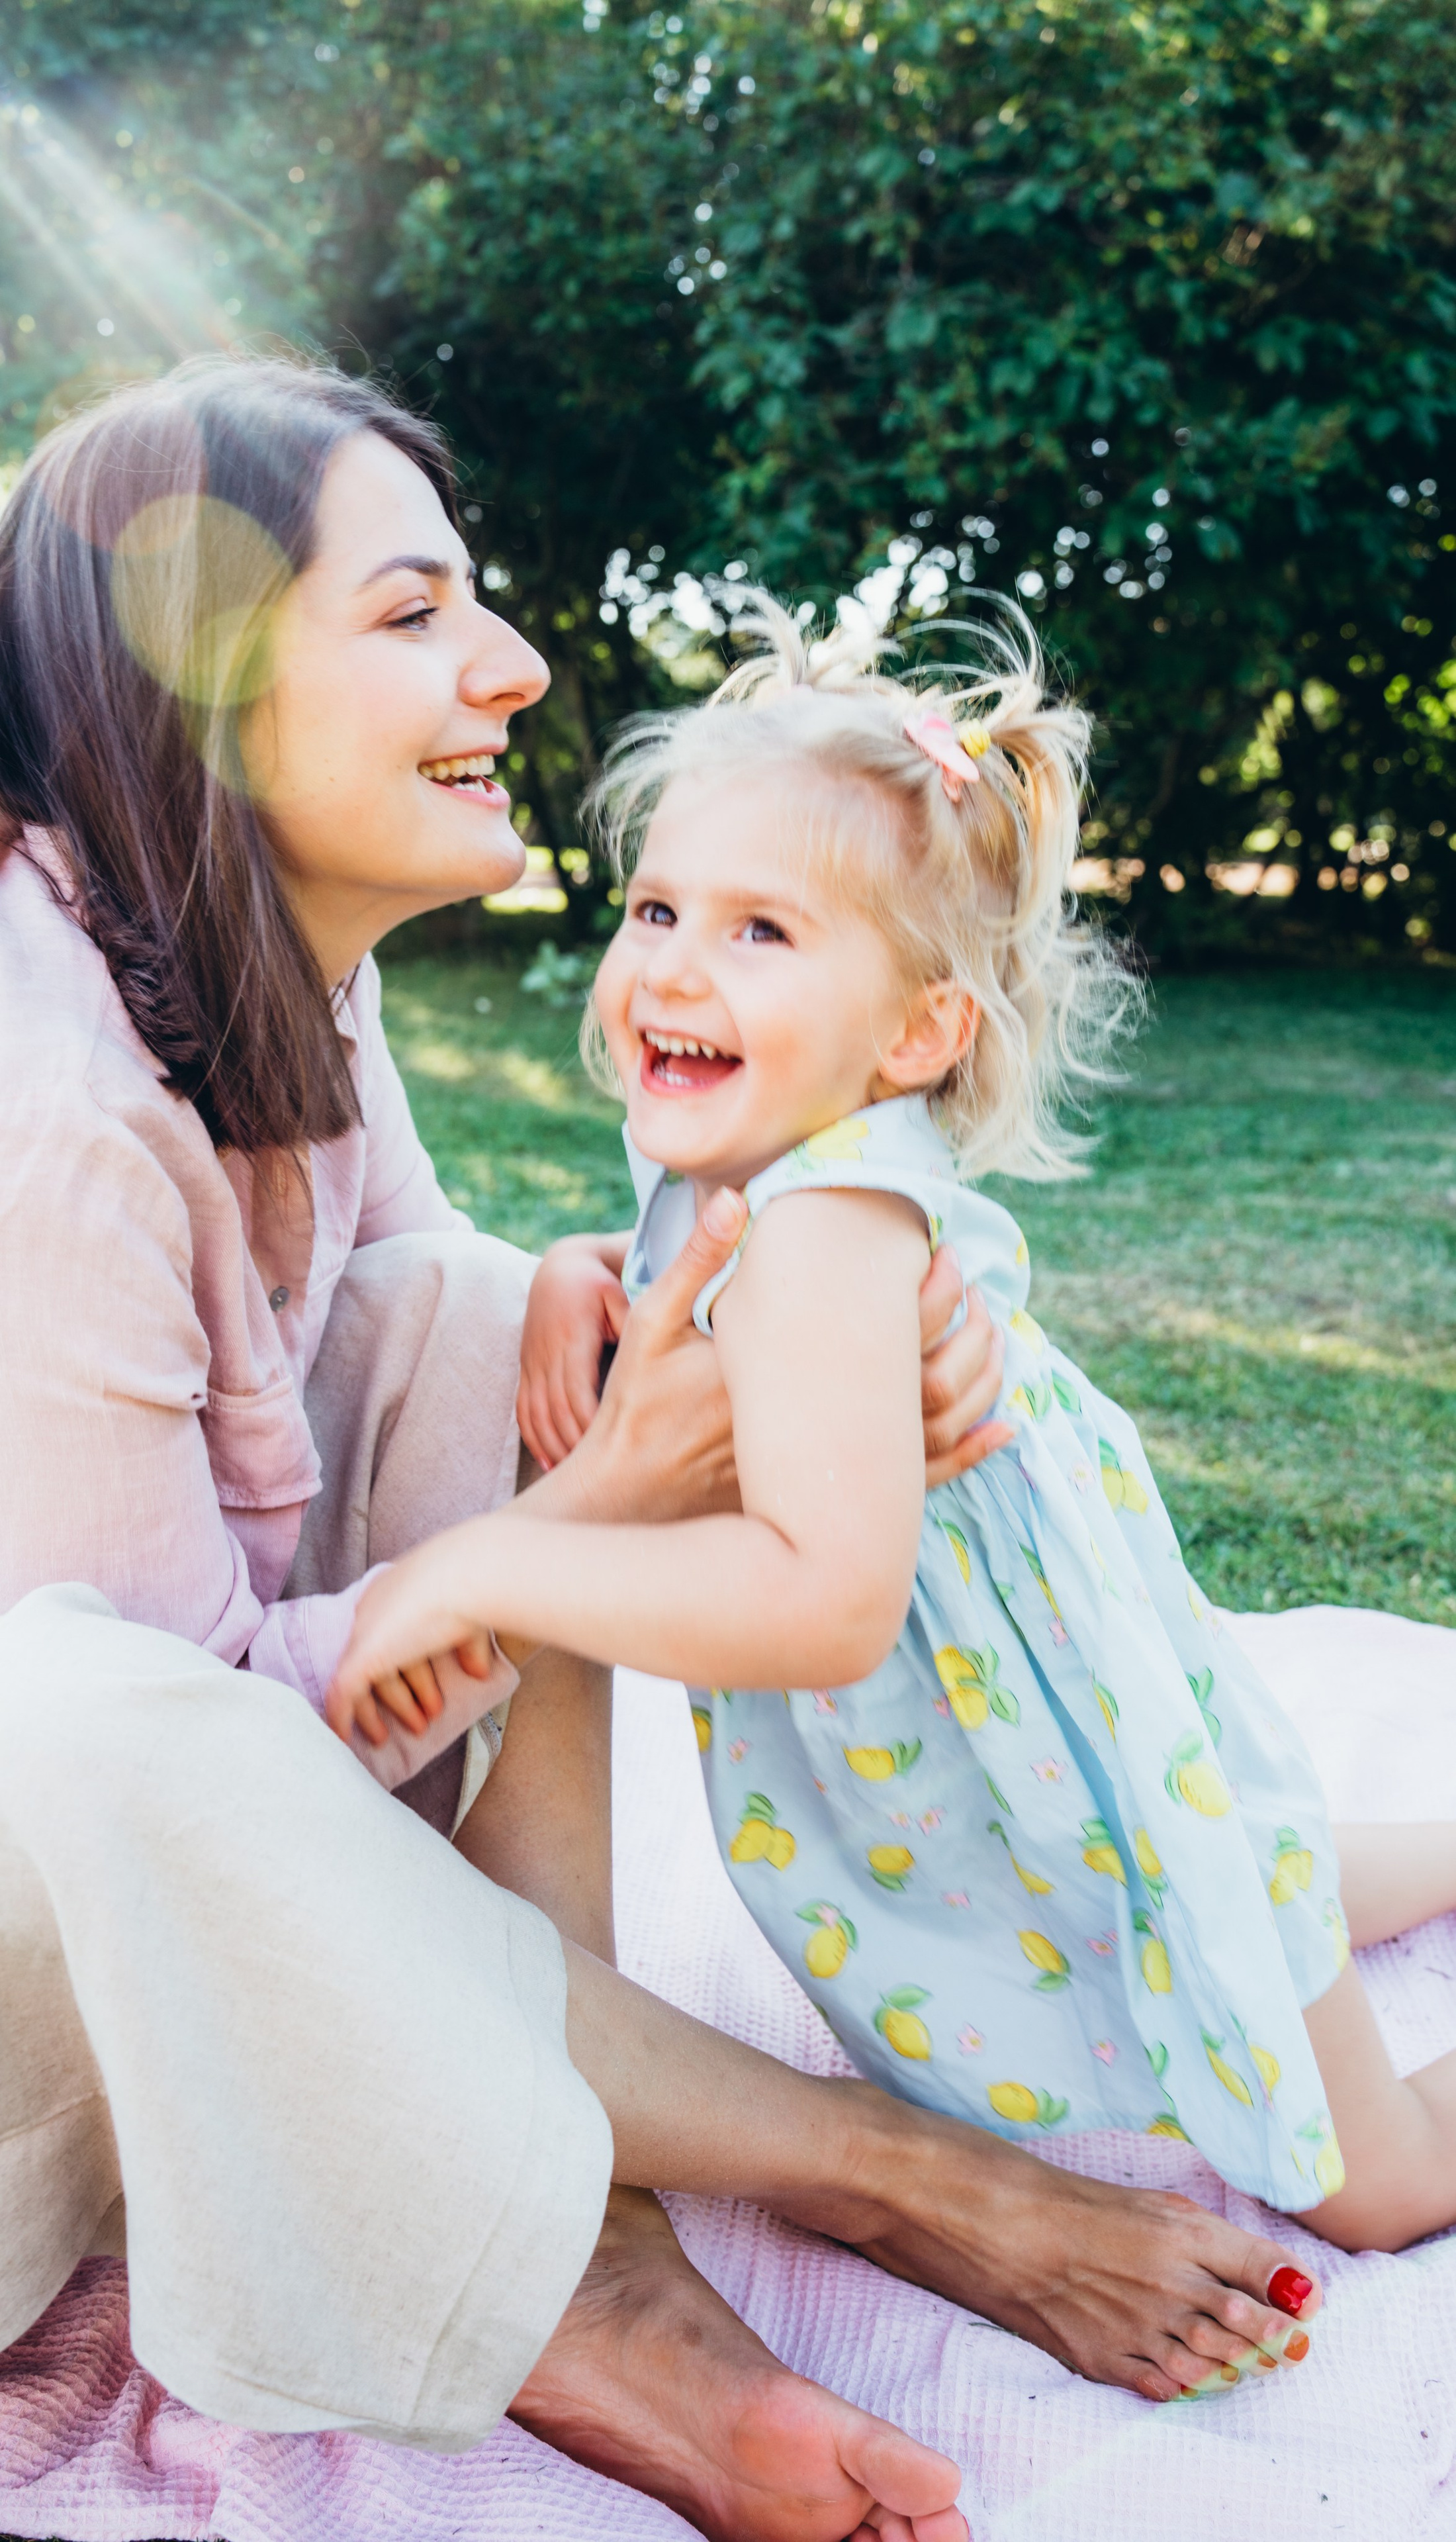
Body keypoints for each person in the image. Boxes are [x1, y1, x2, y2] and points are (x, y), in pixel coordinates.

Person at [0, 361, 1308, 2538]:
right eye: (412, 614)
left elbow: (424, 1320)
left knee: (532, 1332)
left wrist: (776, 1338)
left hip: (75, 1782)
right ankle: (850, 2175)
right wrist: (578, 1518)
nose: (513, 665)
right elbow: (163, 1778)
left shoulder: (250, 948)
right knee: (92, 1705)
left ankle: (588, 2230)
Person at [331, 588, 1440, 2326]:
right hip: (987, 1739)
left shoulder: (837, 1226)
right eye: (656, 908)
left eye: (764, 931)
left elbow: (828, 1601)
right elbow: (695, 1320)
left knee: (1362, 2173)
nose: (675, 965)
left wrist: (483, 1564)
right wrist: (571, 1277)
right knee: (1212, 1865)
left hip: (1039, 1721)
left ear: (915, 1037)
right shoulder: (744, 1162)